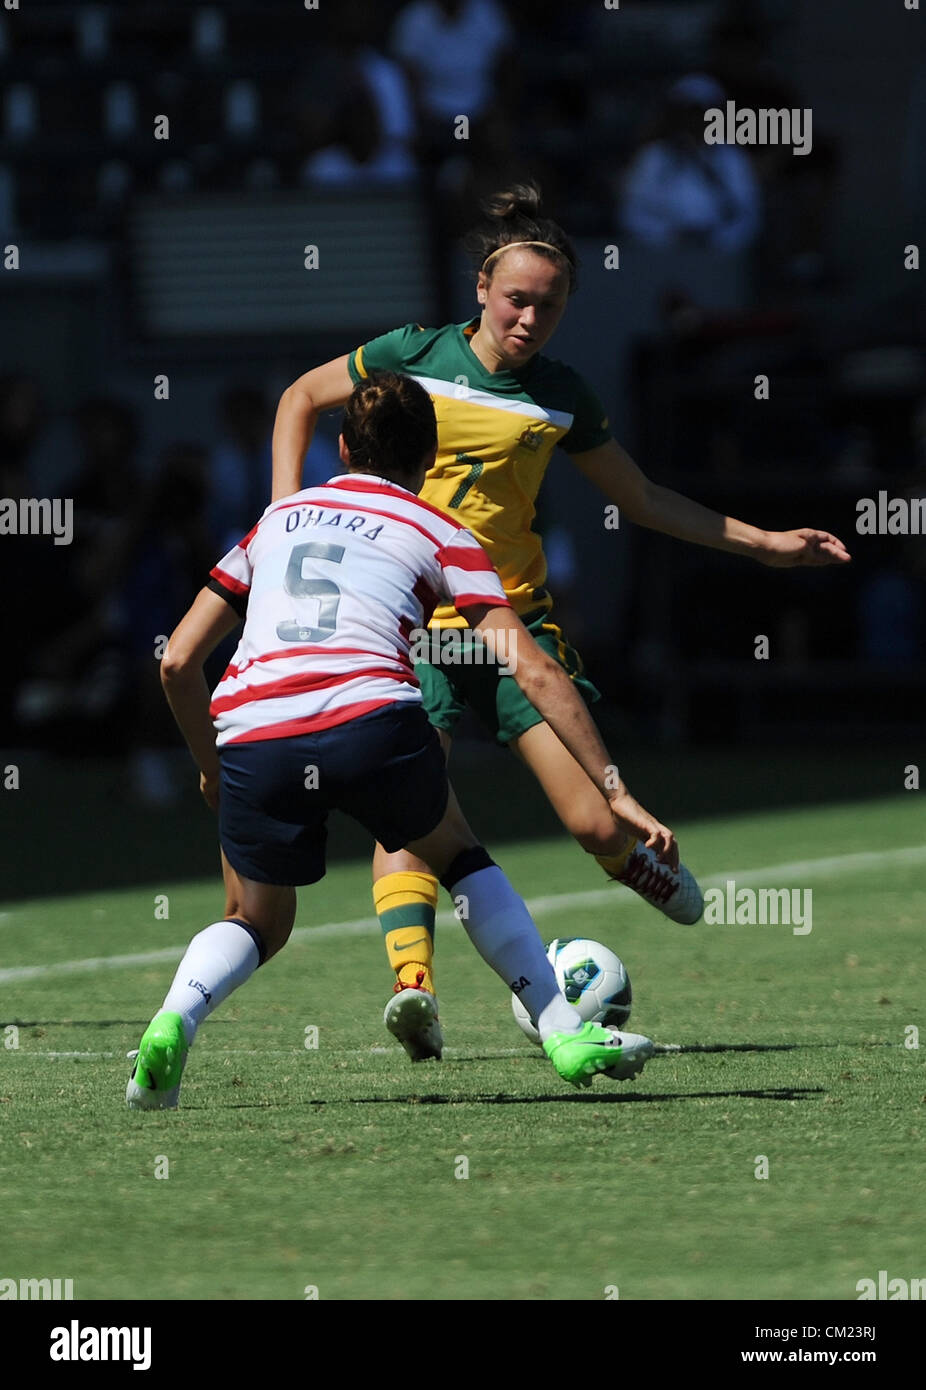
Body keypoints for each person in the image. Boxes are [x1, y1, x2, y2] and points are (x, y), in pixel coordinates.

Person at [270, 182, 851, 1061]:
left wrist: (766, 543)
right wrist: (286, 514)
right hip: (408, 624)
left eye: (550, 304)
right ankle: (414, 995)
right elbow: (297, 400)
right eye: (517, 299)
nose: (530, 318)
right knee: (411, 814)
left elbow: (645, 498)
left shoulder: (563, 395)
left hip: (510, 623)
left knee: (592, 823)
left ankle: (635, 856)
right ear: (481, 290)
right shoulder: (411, 354)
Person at [127, 373, 678, 1108]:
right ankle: (562, 1030)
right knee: (459, 855)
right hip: (370, 721)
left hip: (255, 732)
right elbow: (534, 671)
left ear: (344, 447)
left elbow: (176, 662)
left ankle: (173, 1022)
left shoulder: (278, 519)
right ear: (432, 456)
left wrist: (210, 768)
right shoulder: (442, 529)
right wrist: (617, 787)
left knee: (255, 920)